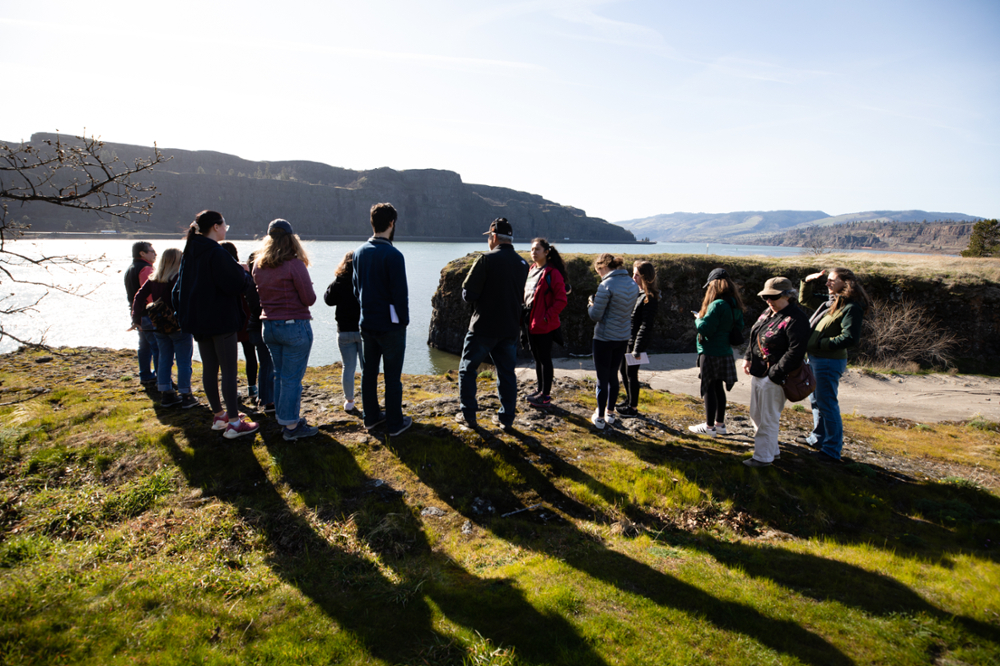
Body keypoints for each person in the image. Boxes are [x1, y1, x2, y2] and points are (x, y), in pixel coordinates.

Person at [173, 210, 260, 439]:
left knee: (210, 368)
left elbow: (178, 290)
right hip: (220, 320)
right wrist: (244, 273)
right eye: (225, 226)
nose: (225, 230)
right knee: (229, 370)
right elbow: (235, 284)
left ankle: (219, 416)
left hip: (198, 321)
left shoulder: (191, 252)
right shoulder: (216, 252)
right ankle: (235, 423)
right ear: (215, 226)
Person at [457, 218, 530, 430]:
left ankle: (468, 415)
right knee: (506, 373)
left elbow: (468, 295)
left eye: (489, 237)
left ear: (494, 237)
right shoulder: (522, 264)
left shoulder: (485, 259)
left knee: (468, 369)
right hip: (510, 328)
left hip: (483, 327)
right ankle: (506, 419)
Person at [253, 219, 319, 441]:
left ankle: (284, 418)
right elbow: (309, 299)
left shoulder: (258, 265)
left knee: (280, 375)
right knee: (291, 379)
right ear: (291, 239)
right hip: (293, 327)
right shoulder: (294, 264)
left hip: (269, 327)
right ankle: (291, 426)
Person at [798, 267, 873, 462]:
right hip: (816, 358)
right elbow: (805, 300)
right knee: (816, 401)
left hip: (828, 361)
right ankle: (818, 439)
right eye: (828, 280)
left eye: (832, 280)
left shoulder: (851, 307)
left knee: (827, 404)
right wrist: (807, 281)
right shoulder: (832, 302)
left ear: (845, 283)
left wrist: (819, 343)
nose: (827, 283)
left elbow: (850, 338)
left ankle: (831, 450)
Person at [353, 203, 412, 437]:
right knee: (392, 378)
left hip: (366, 323)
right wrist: (404, 321)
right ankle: (395, 423)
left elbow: (356, 289)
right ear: (391, 223)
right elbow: (400, 294)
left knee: (369, 373)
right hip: (391, 327)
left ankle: (370, 418)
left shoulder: (359, 252)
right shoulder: (394, 255)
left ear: (372, 223)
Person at [741, 277, 810, 467]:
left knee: (768, 418)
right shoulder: (768, 313)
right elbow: (755, 336)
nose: (769, 300)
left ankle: (763, 458)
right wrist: (748, 357)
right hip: (759, 371)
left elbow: (796, 352)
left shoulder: (796, 319)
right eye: (765, 297)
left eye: (773, 297)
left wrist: (775, 374)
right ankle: (772, 451)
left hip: (776, 377)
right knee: (757, 415)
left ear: (788, 296)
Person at [131, 248, 198, 409]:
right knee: (183, 361)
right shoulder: (179, 278)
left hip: (159, 325)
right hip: (178, 325)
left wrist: (136, 319)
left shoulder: (154, 278)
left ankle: (166, 393)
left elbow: (139, 296)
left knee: (164, 359)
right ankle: (186, 395)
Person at [688, 267, 744, 435]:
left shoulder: (717, 305)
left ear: (714, 285)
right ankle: (720, 425)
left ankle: (709, 427)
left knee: (709, 388)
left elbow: (705, 329)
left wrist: (698, 319)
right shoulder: (735, 304)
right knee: (718, 387)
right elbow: (739, 326)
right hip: (725, 351)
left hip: (710, 351)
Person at [587, 253, 639, 429]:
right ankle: (610, 412)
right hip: (622, 336)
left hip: (604, 337)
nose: (599, 275)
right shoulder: (632, 284)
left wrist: (590, 305)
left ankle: (600, 418)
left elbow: (596, 315)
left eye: (599, 271)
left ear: (603, 267)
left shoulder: (606, 285)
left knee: (602, 379)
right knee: (613, 375)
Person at [523, 238, 568, 408]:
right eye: (532, 249)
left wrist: (546, 317)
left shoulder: (552, 273)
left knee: (544, 358)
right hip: (530, 319)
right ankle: (540, 390)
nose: (533, 252)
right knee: (536, 357)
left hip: (543, 322)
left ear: (546, 252)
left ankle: (546, 396)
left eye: (537, 249)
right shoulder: (532, 269)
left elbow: (561, 300)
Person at [616, 260, 659, 417]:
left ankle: (633, 408)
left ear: (645, 277)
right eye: (633, 274)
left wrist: (637, 348)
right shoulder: (638, 293)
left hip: (636, 342)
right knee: (623, 370)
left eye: (636, 275)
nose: (633, 278)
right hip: (628, 338)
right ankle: (629, 400)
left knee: (631, 374)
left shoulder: (650, 298)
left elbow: (646, 326)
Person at [220, 242, 259, 402]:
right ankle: (252, 387)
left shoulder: (219, 274)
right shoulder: (243, 272)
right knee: (250, 354)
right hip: (246, 317)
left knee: (228, 358)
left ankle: (231, 389)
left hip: (227, 319)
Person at [325, 251, 363, 412]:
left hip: (344, 330)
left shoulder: (340, 281)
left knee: (348, 367)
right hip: (363, 330)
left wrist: (336, 281)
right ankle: (369, 400)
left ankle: (349, 401)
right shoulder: (364, 280)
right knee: (367, 367)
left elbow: (328, 300)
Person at [124, 241, 159, 385]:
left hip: (138, 314)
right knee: (157, 346)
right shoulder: (146, 269)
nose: (155, 254)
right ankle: (162, 378)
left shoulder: (130, 268)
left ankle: (145, 375)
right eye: (152, 251)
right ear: (142, 253)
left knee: (144, 346)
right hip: (149, 314)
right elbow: (150, 294)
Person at [245, 251, 275, 413]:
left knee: (266, 364)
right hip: (259, 327)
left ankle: (265, 396)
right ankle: (268, 401)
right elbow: (257, 309)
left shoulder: (252, 282)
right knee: (267, 365)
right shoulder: (254, 284)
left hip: (256, 327)